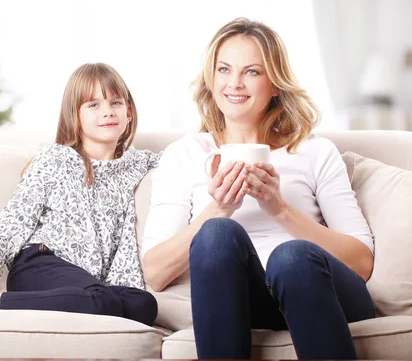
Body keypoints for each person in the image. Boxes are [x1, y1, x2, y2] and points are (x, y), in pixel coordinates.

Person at [141, 18, 375, 358]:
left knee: (290, 256)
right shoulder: (184, 155)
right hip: (242, 302)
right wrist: (218, 208)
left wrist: (279, 208)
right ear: (211, 78)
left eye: (252, 71)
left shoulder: (313, 150)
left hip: (319, 291)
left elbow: (361, 263)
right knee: (217, 232)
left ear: (275, 84)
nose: (235, 83)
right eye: (224, 69)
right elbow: (156, 272)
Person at [0, 63, 160, 327]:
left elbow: (191, 157)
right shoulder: (55, 159)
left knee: (143, 304)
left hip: (88, 281)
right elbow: (18, 214)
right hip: (40, 263)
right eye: (93, 105)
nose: (108, 112)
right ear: (75, 115)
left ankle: (82, 300)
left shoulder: (139, 164)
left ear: (128, 111)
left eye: (116, 102)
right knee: (100, 301)